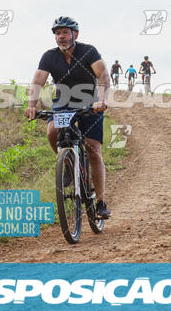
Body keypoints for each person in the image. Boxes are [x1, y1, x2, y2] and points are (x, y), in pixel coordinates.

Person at [25, 16, 111, 219]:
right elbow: (38, 80)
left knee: (93, 150)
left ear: (75, 34)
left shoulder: (88, 51)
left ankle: (100, 201)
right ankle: (67, 164)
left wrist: (101, 100)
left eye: (65, 32)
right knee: (52, 131)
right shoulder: (49, 56)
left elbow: (103, 76)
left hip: (90, 102)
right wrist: (31, 105)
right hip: (63, 102)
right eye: (57, 33)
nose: (60, 37)